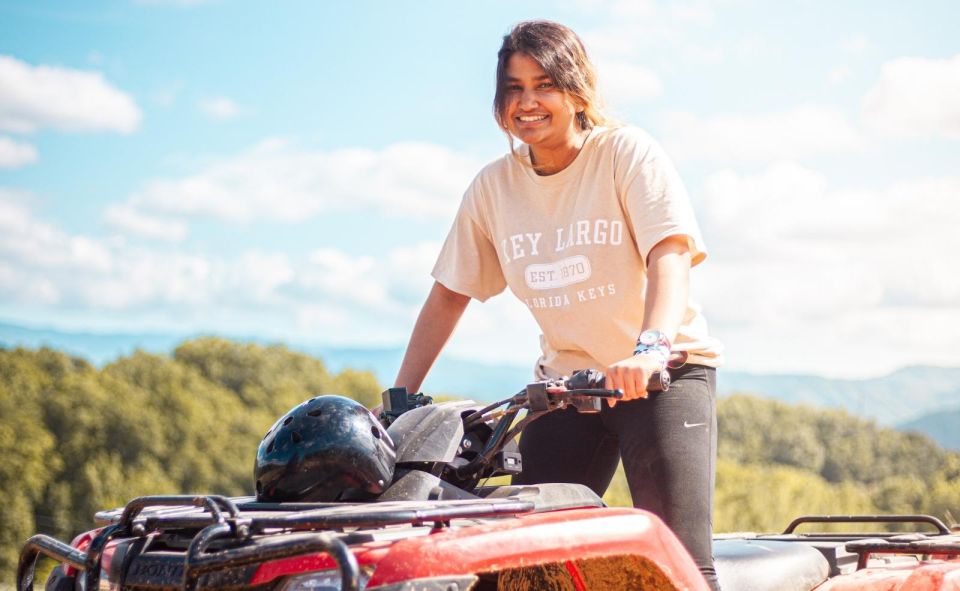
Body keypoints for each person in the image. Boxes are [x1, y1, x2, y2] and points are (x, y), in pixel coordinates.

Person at [392, 20, 724, 590]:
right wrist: (397, 403)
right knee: (522, 563)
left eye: (543, 85)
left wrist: (650, 349)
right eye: (514, 88)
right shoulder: (493, 188)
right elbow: (450, 293)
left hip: (662, 377)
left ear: (576, 91)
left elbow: (668, 254)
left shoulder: (625, 152)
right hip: (568, 387)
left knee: (680, 565)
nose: (527, 102)